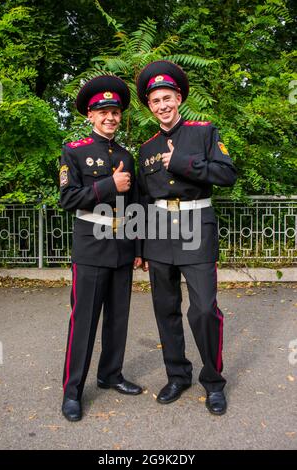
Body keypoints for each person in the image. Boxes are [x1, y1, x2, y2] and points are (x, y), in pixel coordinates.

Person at [136, 61, 237, 415]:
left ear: (178, 97)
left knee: (204, 310)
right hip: (159, 233)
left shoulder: (204, 132)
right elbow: (143, 199)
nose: (162, 106)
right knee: (166, 310)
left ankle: (213, 381)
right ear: (149, 107)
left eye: (167, 98)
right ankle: (178, 375)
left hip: (196, 228)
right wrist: (140, 245)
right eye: (155, 101)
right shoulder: (146, 149)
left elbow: (227, 176)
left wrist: (183, 163)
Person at [60, 75, 143, 422]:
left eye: (115, 112)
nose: (110, 117)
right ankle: (72, 391)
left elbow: (135, 202)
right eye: (103, 111)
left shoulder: (126, 154)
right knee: (84, 321)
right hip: (91, 248)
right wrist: (109, 184)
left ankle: (110, 374)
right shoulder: (74, 151)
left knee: (118, 319)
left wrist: (138, 246)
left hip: (122, 247)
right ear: (90, 116)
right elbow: (67, 198)